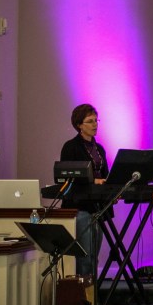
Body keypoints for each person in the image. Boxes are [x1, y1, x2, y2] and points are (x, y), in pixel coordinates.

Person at [60, 103, 110, 278]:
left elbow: (106, 176)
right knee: (85, 256)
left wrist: (111, 191)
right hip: (80, 208)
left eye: (96, 120)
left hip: (98, 207)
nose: (95, 124)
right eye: (90, 121)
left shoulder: (100, 149)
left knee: (94, 257)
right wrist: (93, 180)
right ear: (79, 125)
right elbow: (66, 178)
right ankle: (83, 300)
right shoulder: (70, 147)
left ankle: (92, 298)